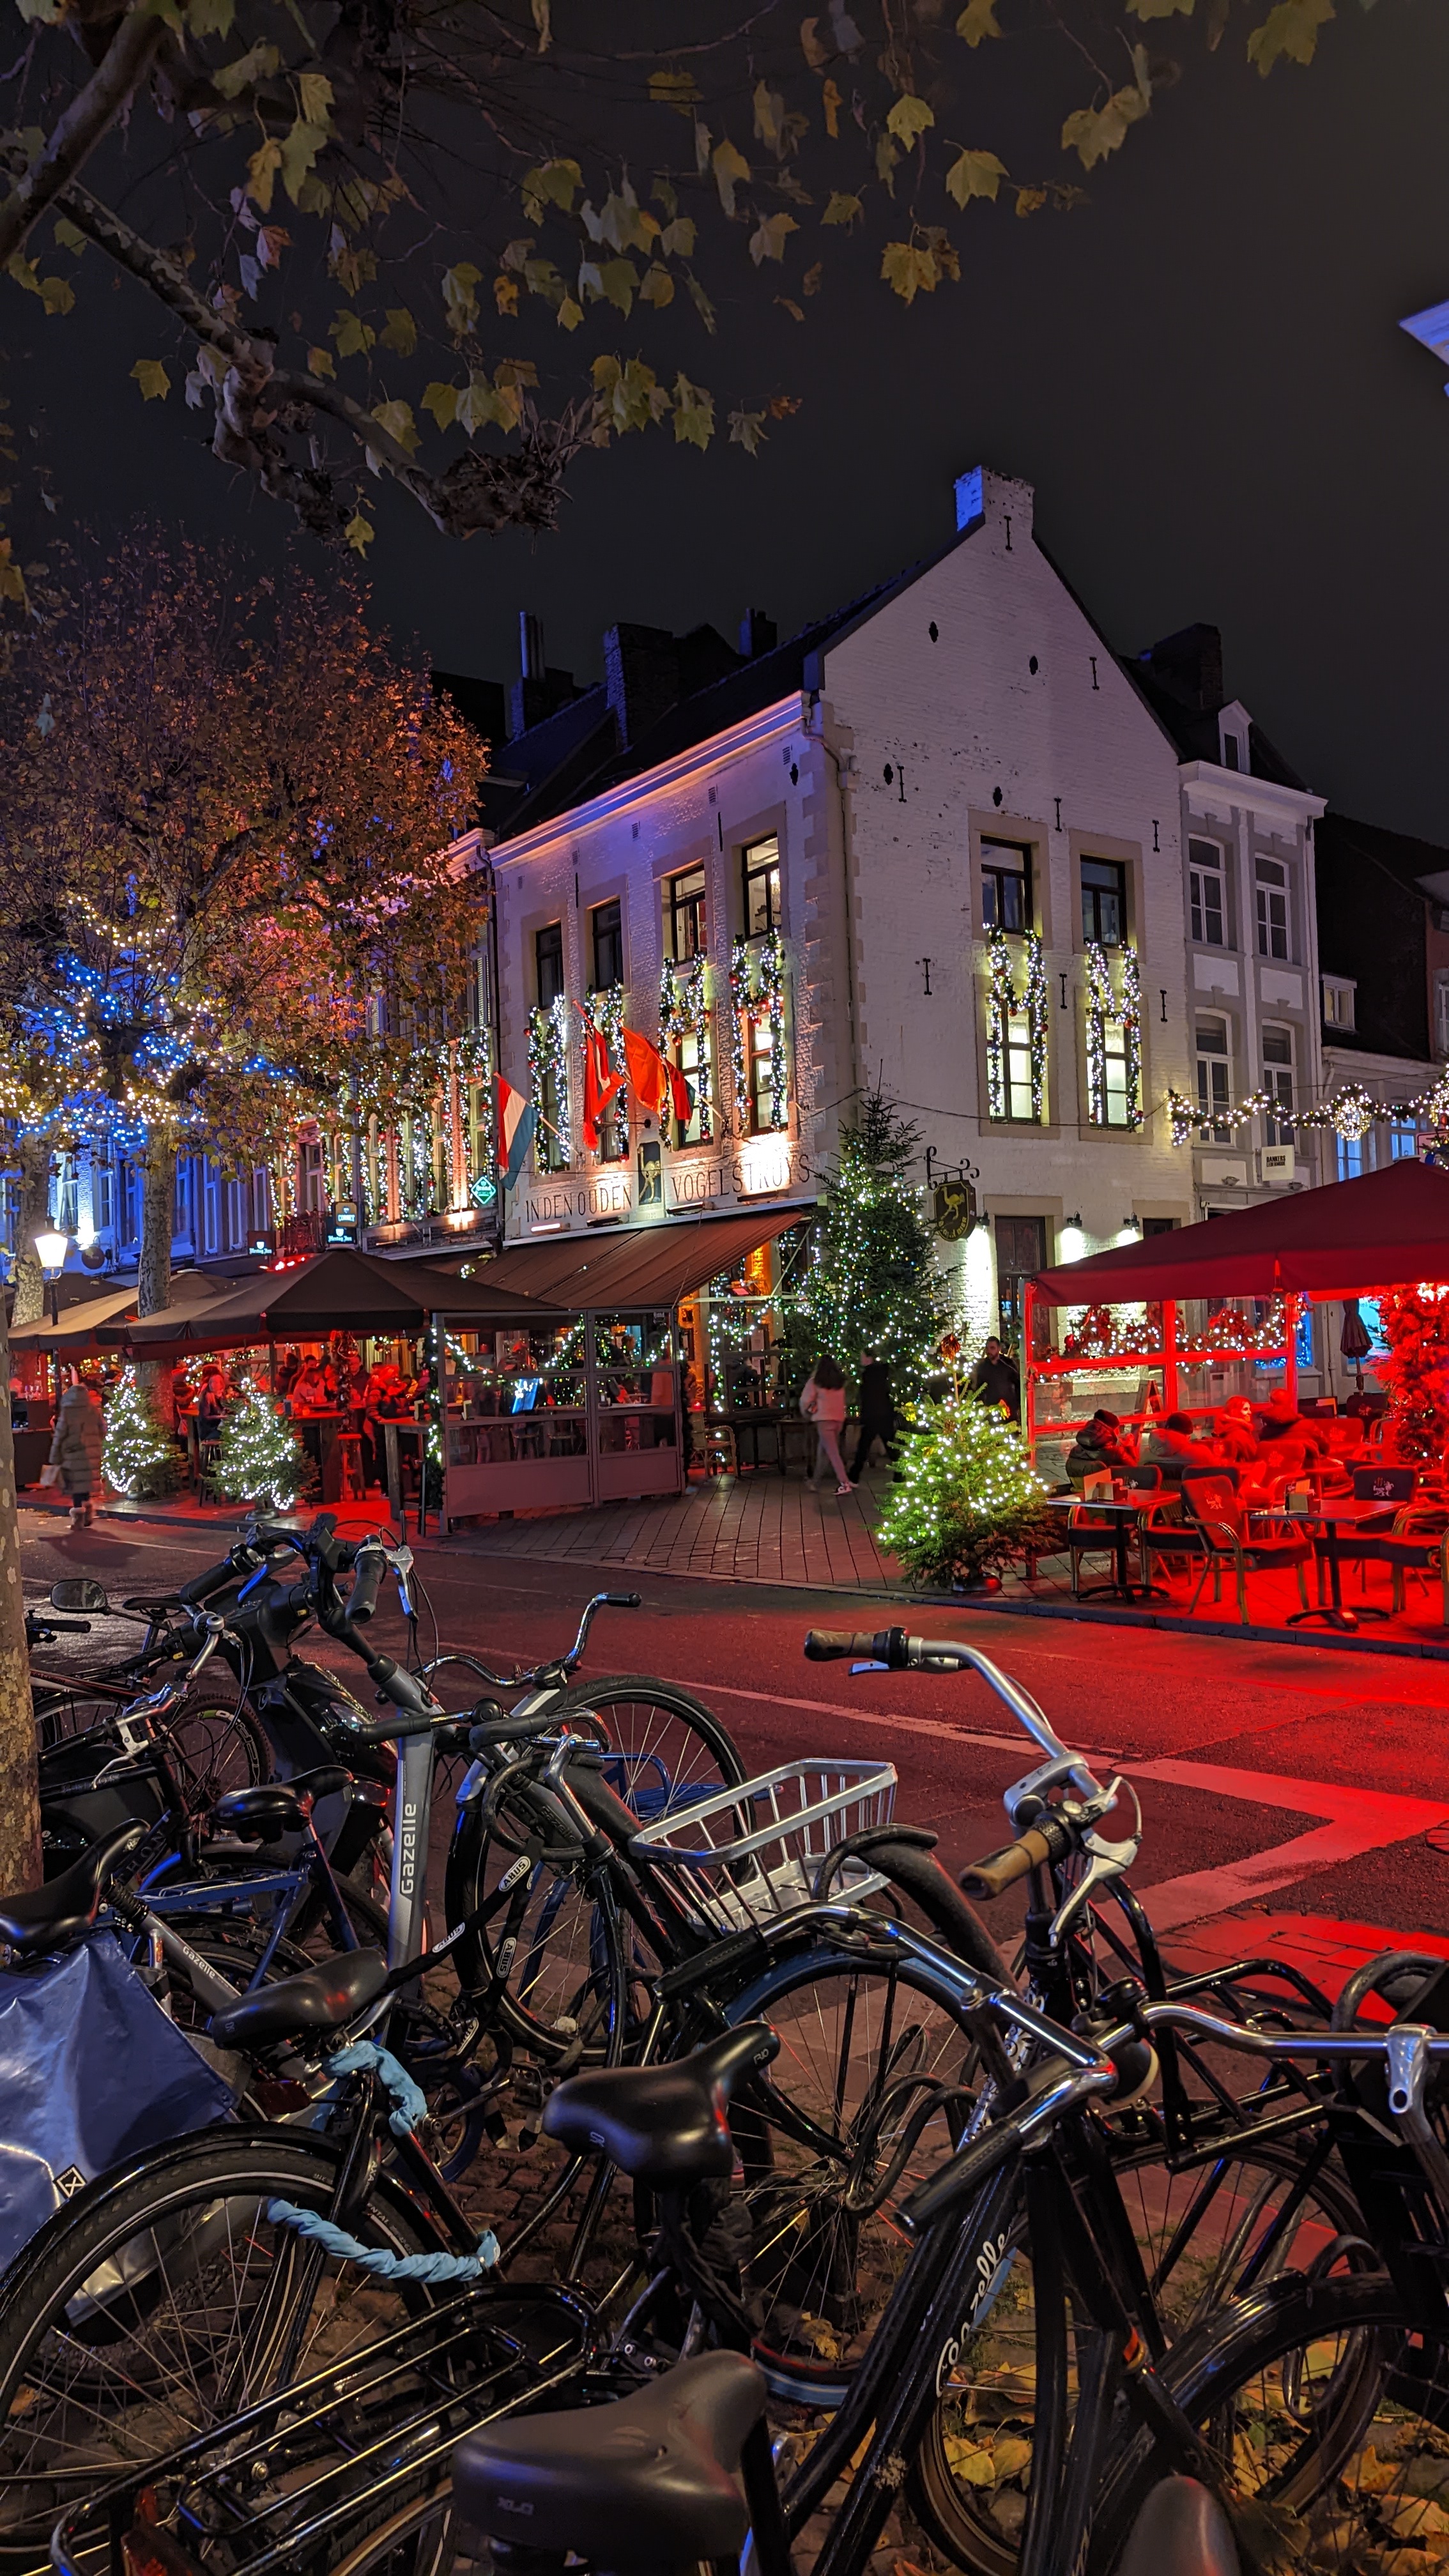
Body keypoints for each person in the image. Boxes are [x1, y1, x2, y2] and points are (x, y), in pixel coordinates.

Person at [49, 1366, 103, 1532]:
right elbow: (102, 1430)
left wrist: (54, 1457)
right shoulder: (93, 1410)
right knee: (85, 1484)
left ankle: (79, 1518)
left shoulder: (67, 1412)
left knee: (76, 1487)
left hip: (73, 1455)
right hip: (91, 1454)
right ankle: (88, 1511)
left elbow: (60, 1435)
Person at [800, 1354, 852, 1496]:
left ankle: (844, 1483)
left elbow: (805, 1401)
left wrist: (806, 1414)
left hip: (824, 1420)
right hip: (839, 1420)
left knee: (832, 1453)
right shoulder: (839, 1383)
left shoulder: (815, 1382)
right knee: (824, 1452)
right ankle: (815, 1483)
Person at [849, 1350, 896, 1483]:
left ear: (868, 1358)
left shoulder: (868, 1375)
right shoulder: (882, 1374)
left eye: (862, 1356)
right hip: (884, 1415)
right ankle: (900, 1474)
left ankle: (854, 1476)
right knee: (890, 1447)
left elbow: (867, 1397)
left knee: (863, 1447)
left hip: (872, 1416)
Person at [1064, 1409, 1131, 1492]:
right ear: (1111, 1430)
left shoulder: (1075, 1451)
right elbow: (1135, 1471)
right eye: (1118, 1429)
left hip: (1082, 1494)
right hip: (1107, 1495)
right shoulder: (1115, 1452)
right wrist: (1129, 1446)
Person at [968, 1335, 1020, 1419]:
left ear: (999, 1349)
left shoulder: (1008, 1364)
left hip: (1009, 1410)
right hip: (991, 1410)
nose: (989, 1351)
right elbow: (980, 1390)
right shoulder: (983, 1367)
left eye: (992, 1348)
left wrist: (1018, 1405)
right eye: (987, 1348)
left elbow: (1018, 1385)